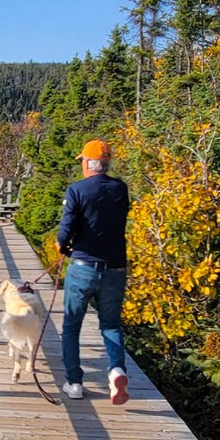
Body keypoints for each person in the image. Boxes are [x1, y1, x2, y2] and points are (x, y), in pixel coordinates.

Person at [55, 139, 130, 405]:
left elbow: (66, 230)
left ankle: (74, 382)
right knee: (110, 324)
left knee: (72, 325)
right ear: (106, 164)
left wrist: (61, 245)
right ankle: (117, 370)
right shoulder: (121, 189)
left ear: (87, 163)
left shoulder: (77, 190)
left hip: (83, 267)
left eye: (82, 161)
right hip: (115, 269)